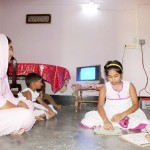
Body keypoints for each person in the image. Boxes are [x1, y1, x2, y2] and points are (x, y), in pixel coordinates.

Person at [81, 60, 150, 130]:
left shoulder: (129, 85)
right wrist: (106, 120)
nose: (113, 79)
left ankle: (125, 121)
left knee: (138, 121)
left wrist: (122, 115)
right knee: (90, 120)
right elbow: (100, 106)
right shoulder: (104, 88)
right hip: (109, 112)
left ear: (121, 74)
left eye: (116, 76)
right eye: (110, 77)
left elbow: (136, 105)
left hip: (128, 111)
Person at [0, 34, 35, 136]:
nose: (12, 53)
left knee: (29, 104)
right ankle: (13, 127)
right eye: (8, 49)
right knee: (26, 115)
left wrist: (19, 103)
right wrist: (18, 108)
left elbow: (7, 96)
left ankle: (12, 127)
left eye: (12, 48)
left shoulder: (2, 73)